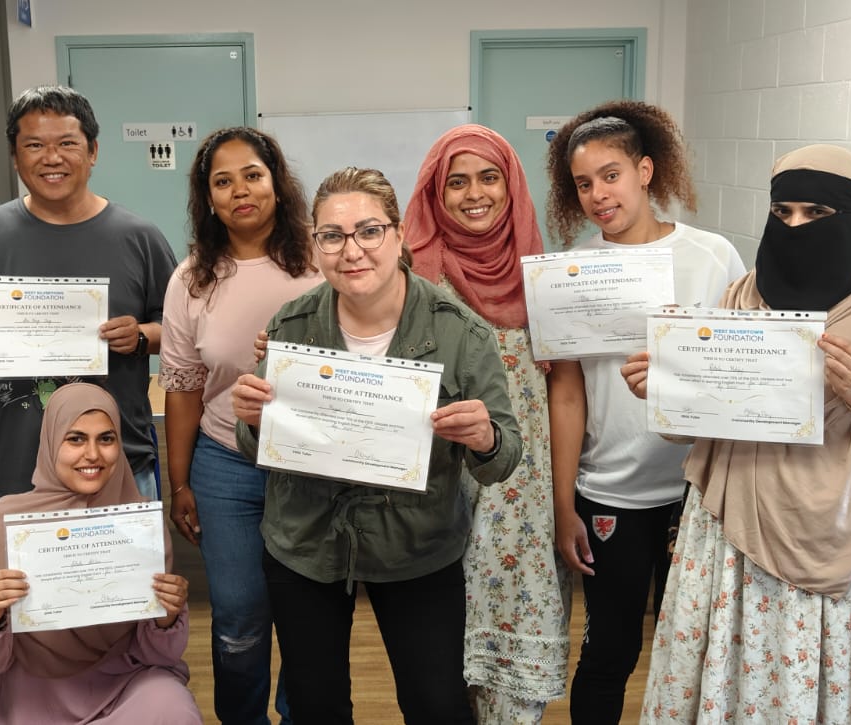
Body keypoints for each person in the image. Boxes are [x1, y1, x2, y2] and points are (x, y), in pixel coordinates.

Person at [630, 144, 851, 723]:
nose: (795, 227)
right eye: (782, 211)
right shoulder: (742, 297)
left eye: (817, 213)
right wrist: (668, 392)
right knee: (731, 681)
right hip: (735, 534)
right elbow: (711, 426)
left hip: (849, 537)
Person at [232, 167, 522, 724]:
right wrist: (252, 421)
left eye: (369, 231)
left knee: (436, 706)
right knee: (316, 707)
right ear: (315, 243)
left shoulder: (461, 333)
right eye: (332, 236)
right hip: (306, 542)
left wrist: (485, 438)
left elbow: (503, 460)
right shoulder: (291, 325)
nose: (352, 251)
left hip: (418, 544)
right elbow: (259, 447)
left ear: (399, 233)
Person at [542, 102, 746, 724]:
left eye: (611, 175)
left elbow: (742, 372)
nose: (598, 195)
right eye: (584, 184)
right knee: (609, 650)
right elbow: (567, 393)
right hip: (612, 493)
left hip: (700, 493)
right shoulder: (572, 273)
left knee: (700, 654)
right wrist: (564, 503)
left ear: (646, 171)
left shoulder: (712, 256)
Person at [0, 86, 176, 504]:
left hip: (116, 464)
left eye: (67, 144)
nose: (51, 158)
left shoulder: (139, 237)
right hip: (13, 467)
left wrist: (140, 336)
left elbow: (181, 333)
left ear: (93, 151)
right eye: (34, 145)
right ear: (15, 156)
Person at [403, 124, 569, 722]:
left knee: (512, 631)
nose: (475, 194)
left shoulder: (543, 277)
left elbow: (565, 391)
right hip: (439, 484)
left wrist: (564, 502)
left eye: (489, 177)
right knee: (440, 650)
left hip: (522, 490)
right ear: (435, 192)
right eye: (457, 182)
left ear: (511, 184)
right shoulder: (414, 276)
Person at [161, 127, 317, 724]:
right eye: (222, 182)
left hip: (312, 464)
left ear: (277, 181)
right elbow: (183, 389)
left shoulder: (321, 259)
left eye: (252, 175)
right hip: (226, 464)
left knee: (307, 614)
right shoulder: (192, 279)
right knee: (238, 617)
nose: (240, 191)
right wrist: (180, 483)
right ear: (208, 198)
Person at [0, 383, 202, 724]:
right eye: (76, 439)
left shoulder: (139, 523)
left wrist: (166, 616)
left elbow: (158, 654)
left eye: (106, 439)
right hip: (36, 687)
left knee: (174, 709)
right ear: (51, 441)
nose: (93, 454)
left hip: (125, 678)